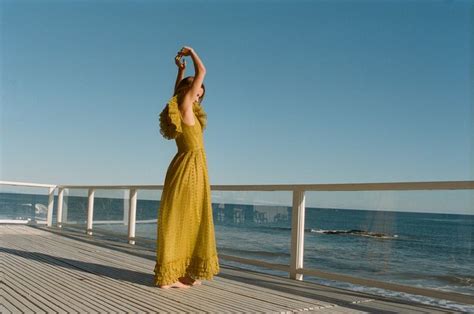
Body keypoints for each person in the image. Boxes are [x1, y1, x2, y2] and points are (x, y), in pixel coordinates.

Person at [154, 46, 220, 289]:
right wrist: (191, 53)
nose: (199, 89)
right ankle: (170, 276)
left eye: (200, 88)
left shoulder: (183, 106)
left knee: (184, 217)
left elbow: (177, 90)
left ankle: (180, 273)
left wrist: (180, 71)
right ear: (188, 91)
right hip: (191, 167)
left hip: (186, 165)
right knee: (186, 217)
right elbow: (202, 70)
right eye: (194, 86)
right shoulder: (184, 104)